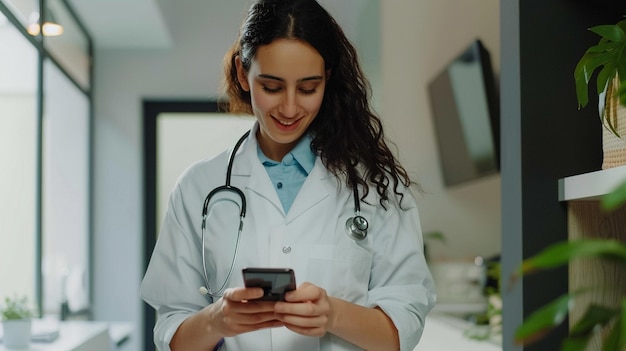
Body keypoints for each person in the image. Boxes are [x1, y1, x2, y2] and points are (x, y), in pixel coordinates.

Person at [140, 0, 436, 350]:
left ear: (327, 78)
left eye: (308, 88)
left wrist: (333, 315)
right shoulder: (198, 188)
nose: (291, 108)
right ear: (242, 73)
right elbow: (171, 335)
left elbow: (403, 330)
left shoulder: (375, 187)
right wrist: (217, 319)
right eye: (272, 87)